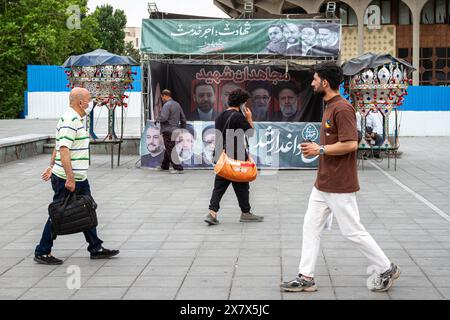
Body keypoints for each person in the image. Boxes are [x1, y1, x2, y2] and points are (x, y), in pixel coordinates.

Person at [280, 63, 400, 293]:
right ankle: (306, 277)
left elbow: (351, 144)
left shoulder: (342, 108)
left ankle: (386, 268)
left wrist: (320, 150)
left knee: (352, 231)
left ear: (325, 82)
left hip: (339, 184)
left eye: (315, 79)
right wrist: (319, 150)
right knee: (310, 226)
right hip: (323, 183)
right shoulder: (329, 106)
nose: (312, 83)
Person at [35, 87, 119, 265]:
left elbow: (59, 144)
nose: (90, 102)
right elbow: (63, 149)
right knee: (59, 214)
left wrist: (51, 166)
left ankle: (95, 247)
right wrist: (70, 178)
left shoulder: (78, 118)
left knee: (87, 209)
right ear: (80, 102)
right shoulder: (70, 119)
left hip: (79, 177)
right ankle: (42, 251)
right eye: (88, 99)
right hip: (68, 178)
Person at [205, 89, 264, 225]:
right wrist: (249, 118)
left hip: (222, 156)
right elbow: (250, 133)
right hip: (236, 156)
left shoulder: (220, 117)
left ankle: (212, 213)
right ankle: (245, 213)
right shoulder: (238, 116)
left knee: (219, 187)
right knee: (242, 185)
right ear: (242, 104)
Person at [157, 89, 186, 173]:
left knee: (170, 148)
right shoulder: (177, 104)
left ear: (165, 96)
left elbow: (163, 118)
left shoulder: (166, 105)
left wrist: (158, 118)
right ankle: (164, 165)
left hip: (168, 130)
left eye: (162, 97)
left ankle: (178, 168)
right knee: (169, 147)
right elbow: (183, 118)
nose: (162, 99)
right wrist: (183, 129)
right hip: (176, 130)